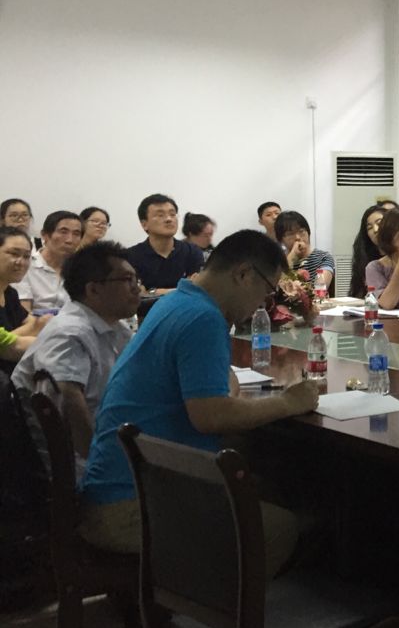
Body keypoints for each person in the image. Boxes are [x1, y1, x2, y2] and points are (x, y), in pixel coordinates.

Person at [79, 230, 320, 577]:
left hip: (116, 485)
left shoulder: (177, 302)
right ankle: (211, 606)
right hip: (133, 505)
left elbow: (219, 388)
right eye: (267, 291)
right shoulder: (203, 317)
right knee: (279, 526)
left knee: (262, 477)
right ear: (244, 274)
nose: (262, 304)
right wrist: (289, 402)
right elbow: (210, 415)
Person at [13, 241, 140, 462]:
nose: (137, 288)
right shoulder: (69, 333)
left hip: (106, 439)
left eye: (136, 280)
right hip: (67, 462)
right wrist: (103, 463)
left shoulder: (117, 328)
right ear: (93, 289)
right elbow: (68, 412)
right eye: (127, 280)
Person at [126, 194, 205, 295]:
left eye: (172, 214)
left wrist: (152, 291)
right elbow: (138, 293)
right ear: (144, 224)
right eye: (160, 215)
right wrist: (180, 290)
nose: (169, 219)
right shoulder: (131, 256)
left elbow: (195, 289)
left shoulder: (192, 251)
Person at [0, 228, 49, 368]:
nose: (21, 262)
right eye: (14, 254)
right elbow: (8, 347)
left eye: (27, 256)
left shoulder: (10, 293)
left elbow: (32, 322)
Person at [18, 210, 82, 312]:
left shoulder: (80, 270)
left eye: (76, 234)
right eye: (63, 232)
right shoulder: (24, 265)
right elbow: (23, 313)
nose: (69, 240)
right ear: (45, 235)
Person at [274, 210, 334, 290]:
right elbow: (276, 289)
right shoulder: (277, 262)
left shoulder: (323, 257)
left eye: (301, 231)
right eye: (290, 234)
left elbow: (320, 289)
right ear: (281, 240)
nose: (298, 237)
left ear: (308, 232)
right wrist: (292, 257)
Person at [349, 203, 387, 301]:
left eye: (379, 223)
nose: (375, 230)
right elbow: (359, 295)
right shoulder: (366, 261)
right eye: (369, 228)